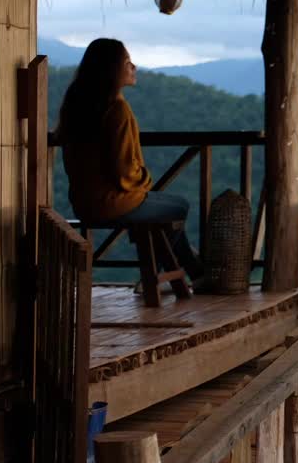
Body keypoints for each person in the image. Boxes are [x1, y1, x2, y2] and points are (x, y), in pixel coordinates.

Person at [57, 38, 204, 282]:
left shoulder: (77, 106)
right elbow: (125, 173)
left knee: (164, 211)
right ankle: (162, 276)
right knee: (179, 207)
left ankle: (188, 273)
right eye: (127, 62)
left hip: (84, 203)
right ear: (112, 69)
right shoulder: (117, 110)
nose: (134, 67)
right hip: (113, 203)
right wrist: (146, 180)